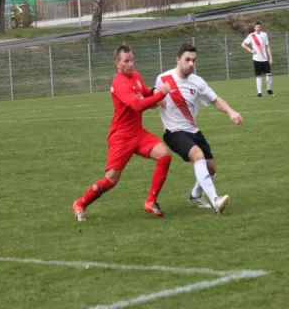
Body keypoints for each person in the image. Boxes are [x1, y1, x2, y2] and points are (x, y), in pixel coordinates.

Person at [72, 45, 173, 221]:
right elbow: (137, 105)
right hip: (121, 137)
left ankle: (151, 201)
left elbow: (145, 92)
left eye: (132, 60)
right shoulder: (118, 83)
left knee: (164, 155)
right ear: (117, 63)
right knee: (111, 180)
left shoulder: (136, 76)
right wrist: (161, 94)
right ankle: (80, 203)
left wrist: (154, 91)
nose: (130, 64)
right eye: (126, 61)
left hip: (138, 133)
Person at [155, 43, 244, 214]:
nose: (191, 64)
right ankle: (216, 201)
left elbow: (215, 99)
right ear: (178, 60)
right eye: (187, 60)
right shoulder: (163, 79)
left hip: (193, 131)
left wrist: (231, 112)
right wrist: (156, 98)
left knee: (211, 168)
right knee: (198, 155)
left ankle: (195, 195)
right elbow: (153, 98)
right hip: (173, 132)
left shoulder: (198, 82)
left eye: (193, 61)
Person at [241, 20, 275, 97]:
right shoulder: (251, 35)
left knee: (269, 74)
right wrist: (250, 50)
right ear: (254, 27)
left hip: (265, 58)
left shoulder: (264, 35)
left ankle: (269, 90)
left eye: (259, 26)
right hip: (256, 59)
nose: (258, 28)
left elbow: (267, 46)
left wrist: (270, 58)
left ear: (261, 27)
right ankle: (259, 93)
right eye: (256, 26)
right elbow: (243, 44)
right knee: (258, 75)